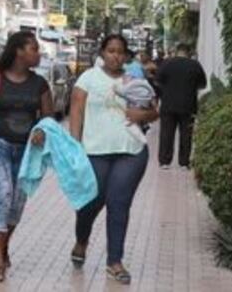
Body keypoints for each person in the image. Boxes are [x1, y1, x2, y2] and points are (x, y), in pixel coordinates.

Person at [0, 31, 54, 283]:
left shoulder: (40, 84)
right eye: (34, 49)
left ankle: (2, 247)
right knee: (2, 196)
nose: (38, 54)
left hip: (27, 151)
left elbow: (49, 119)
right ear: (19, 51)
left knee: (16, 206)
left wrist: (42, 131)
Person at [69, 33, 158, 285]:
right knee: (90, 203)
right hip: (94, 151)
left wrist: (142, 116)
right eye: (111, 51)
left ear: (126, 56)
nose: (115, 56)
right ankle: (82, 240)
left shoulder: (135, 80)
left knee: (119, 203)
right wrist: (75, 147)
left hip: (130, 151)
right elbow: (76, 112)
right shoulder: (88, 78)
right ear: (102, 53)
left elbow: (154, 111)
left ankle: (114, 261)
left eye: (120, 52)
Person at [155, 43, 208, 169]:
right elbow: (203, 84)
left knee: (166, 133)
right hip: (188, 105)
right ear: (189, 52)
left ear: (176, 51)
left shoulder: (167, 63)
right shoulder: (195, 65)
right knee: (186, 134)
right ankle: (184, 162)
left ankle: (164, 161)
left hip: (168, 104)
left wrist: (165, 91)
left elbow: (157, 81)